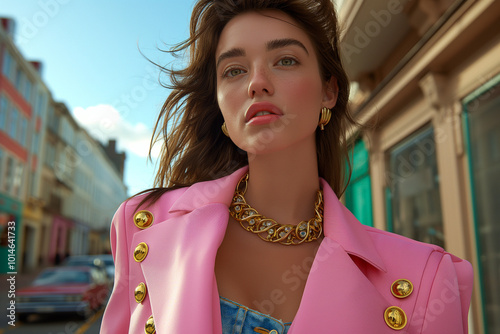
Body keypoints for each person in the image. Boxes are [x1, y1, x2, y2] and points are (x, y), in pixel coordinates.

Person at [100, 0, 473, 333]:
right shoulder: (143, 226)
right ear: (220, 107)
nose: (257, 83)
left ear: (329, 90)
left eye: (286, 60)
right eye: (234, 70)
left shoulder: (425, 279)